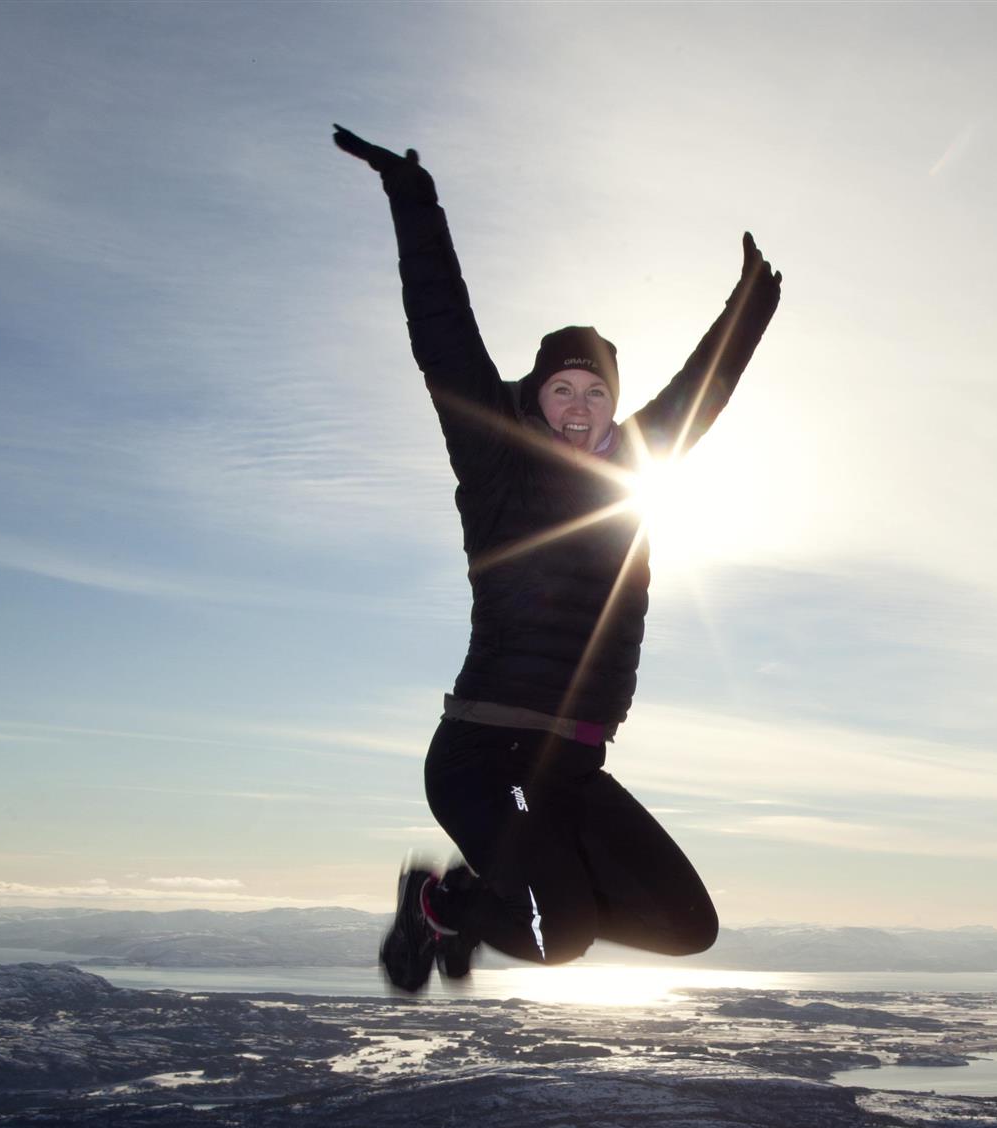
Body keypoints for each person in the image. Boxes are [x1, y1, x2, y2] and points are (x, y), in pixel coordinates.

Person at [333, 125, 782, 993]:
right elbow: (442, 332)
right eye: (561, 390)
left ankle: (490, 892)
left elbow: (707, 387)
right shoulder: (496, 461)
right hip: (482, 756)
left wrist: (751, 306)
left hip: (572, 765)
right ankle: (438, 905)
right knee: (558, 937)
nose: (579, 409)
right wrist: (414, 202)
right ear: (535, 398)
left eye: (596, 393)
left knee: (688, 925)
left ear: (615, 406)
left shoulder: (639, 468)